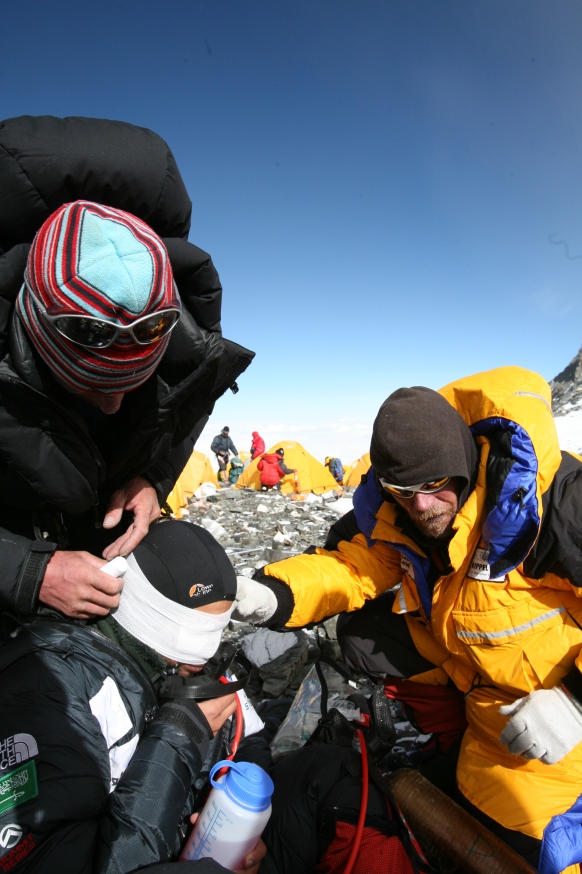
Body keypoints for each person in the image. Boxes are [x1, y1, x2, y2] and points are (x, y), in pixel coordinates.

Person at [233, 366, 582, 874]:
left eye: (435, 484)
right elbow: (353, 566)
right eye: (403, 489)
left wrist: (573, 699)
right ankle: (440, 729)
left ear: (462, 461)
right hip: (476, 670)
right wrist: (272, 593)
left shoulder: (552, 504)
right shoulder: (402, 511)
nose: (422, 505)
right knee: (360, 634)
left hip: (552, 710)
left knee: (525, 844)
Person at [0, 115, 253, 627]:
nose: (115, 406)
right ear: (37, 345)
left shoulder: (186, 346)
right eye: (93, 389)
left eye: (131, 386)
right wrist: (28, 572)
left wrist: (151, 479)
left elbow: (181, 408)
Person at [0, 519, 265, 873]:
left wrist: (236, 817)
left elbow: (249, 747)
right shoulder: (50, 686)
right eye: (192, 636)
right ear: (147, 616)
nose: (200, 658)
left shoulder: (195, 671)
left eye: (216, 635)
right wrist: (177, 739)